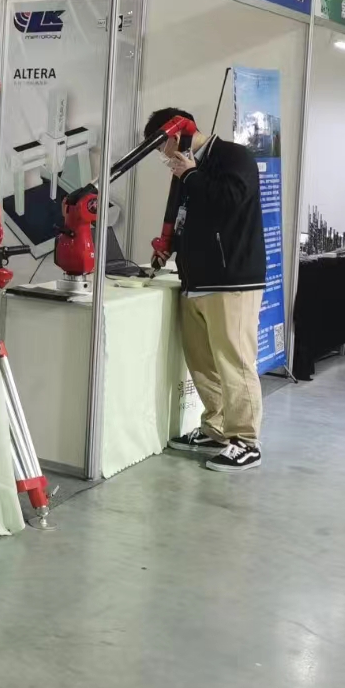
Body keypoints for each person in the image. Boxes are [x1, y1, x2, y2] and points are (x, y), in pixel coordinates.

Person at [148, 108, 266, 472]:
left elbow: (231, 200)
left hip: (231, 280)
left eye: (161, 147)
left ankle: (246, 441)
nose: (163, 156)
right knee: (202, 362)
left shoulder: (233, 156)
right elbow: (190, 216)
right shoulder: (187, 169)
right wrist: (170, 246)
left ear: (174, 135)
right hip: (196, 280)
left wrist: (192, 174)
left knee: (234, 361)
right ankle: (216, 427)